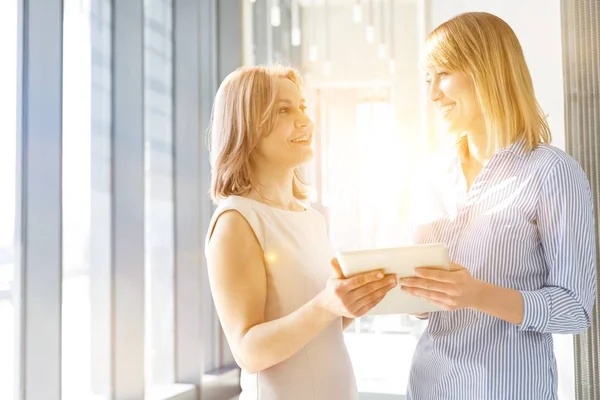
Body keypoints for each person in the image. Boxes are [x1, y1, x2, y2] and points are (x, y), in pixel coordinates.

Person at [398, 12, 597, 400]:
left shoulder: (551, 172)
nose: (433, 93)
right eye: (427, 79)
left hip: (508, 389)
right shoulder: (429, 175)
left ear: (485, 69)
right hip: (428, 385)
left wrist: (476, 294)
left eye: (443, 74)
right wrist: (401, 290)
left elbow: (575, 309)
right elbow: (422, 306)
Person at [204, 65, 398, 400]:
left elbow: (314, 329)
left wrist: (351, 302)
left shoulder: (311, 219)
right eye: (284, 110)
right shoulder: (237, 220)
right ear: (247, 126)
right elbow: (248, 352)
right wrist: (326, 305)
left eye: (302, 108)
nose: (305, 121)